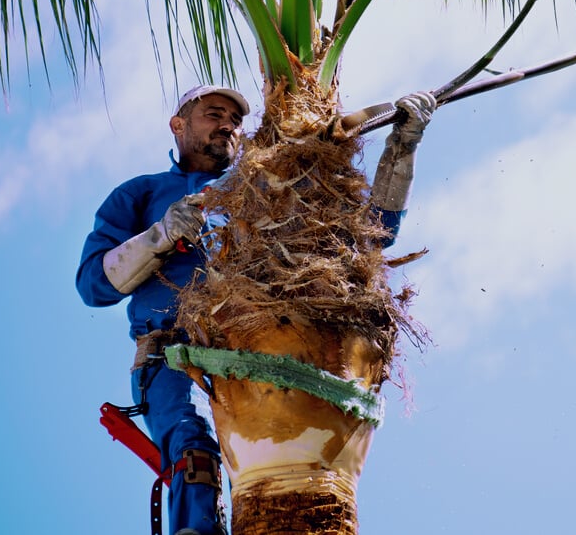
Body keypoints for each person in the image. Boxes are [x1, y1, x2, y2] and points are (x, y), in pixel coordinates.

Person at [77, 84, 435, 535]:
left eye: (234, 119)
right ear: (178, 124)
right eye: (213, 113)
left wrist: (403, 147)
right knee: (194, 447)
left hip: (261, 350)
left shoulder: (265, 183)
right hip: (174, 352)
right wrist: (162, 235)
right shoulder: (141, 193)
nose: (227, 124)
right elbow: (94, 286)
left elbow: (374, 236)